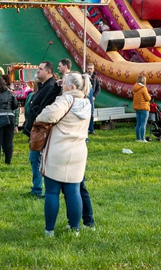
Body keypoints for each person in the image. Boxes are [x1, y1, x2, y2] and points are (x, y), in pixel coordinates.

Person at [36, 72, 92, 237]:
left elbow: (45, 116)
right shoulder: (87, 103)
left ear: (72, 87)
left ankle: (49, 230)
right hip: (78, 152)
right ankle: (75, 229)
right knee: (74, 191)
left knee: (52, 192)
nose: (61, 85)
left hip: (58, 151)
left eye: (64, 83)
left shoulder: (65, 100)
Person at [22, 61, 61, 198]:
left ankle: (39, 189)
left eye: (40, 69)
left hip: (42, 130)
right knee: (35, 159)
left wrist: (36, 118)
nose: (37, 71)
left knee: (36, 159)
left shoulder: (51, 87)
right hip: (37, 128)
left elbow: (45, 108)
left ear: (48, 72)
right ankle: (37, 188)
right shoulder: (44, 86)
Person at [133, 75, 151, 142]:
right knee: (143, 124)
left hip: (137, 108)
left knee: (138, 124)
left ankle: (138, 138)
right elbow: (147, 98)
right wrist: (150, 96)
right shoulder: (143, 88)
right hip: (144, 108)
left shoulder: (135, 87)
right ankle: (143, 139)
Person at [86, 63, 100, 135]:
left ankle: (91, 130)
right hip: (84, 98)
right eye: (88, 68)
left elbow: (98, 89)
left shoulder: (95, 78)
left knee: (91, 114)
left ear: (93, 69)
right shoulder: (84, 77)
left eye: (91, 69)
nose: (89, 70)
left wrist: (94, 96)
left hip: (91, 99)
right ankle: (85, 130)